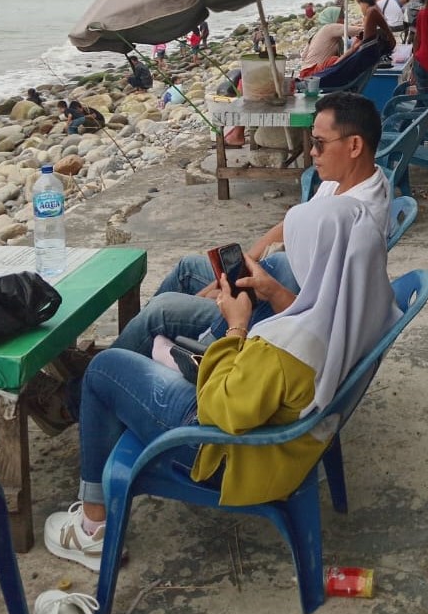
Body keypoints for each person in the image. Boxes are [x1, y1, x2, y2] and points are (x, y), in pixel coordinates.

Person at [42, 195, 400, 570]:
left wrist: (236, 325)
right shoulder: (366, 308)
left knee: (105, 369)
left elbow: (221, 410)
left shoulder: (290, 346)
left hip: (228, 456)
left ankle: (92, 528)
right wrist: (276, 293)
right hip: (292, 431)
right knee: (144, 354)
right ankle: (117, 383)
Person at [111, 92, 392, 356]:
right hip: (268, 282)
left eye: (320, 143)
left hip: (270, 312)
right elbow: (286, 227)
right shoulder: (346, 183)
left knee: (160, 312)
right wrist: (242, 265)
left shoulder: (353, 218)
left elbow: (315, 314)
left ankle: (115, 367)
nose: (313, 152)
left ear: (354, 145)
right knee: (187, 268)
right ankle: (136, 349)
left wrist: (226, 293)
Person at [299, 8, 345, 78]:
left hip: (306, 72)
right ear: (332, 18)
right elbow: (356, 30)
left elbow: (303, 56)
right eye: (341, 18)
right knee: (335, 60)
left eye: (343, 18)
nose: (343, 21)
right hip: (312, 73)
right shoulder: (329, 29)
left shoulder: (316, 34)